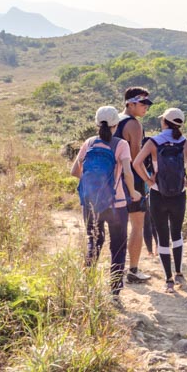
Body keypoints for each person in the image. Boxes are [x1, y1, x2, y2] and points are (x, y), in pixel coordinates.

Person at [133, 107, 187, 292]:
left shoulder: (153, 142)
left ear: (164, 122)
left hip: (158, 194)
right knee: (177, 233)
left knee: (162, 236)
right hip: (179, 195)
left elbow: (136, 163)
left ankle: (168, 280)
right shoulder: (185, 143)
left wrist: (149, 181)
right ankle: (179, 273)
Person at [71, 106, 142, 296]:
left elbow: (75, 171)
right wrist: (133, 192)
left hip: (91, 203)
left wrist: (94, 187)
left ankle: (87, 285)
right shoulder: (120, 145)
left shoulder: (89, 142)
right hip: (116, 204)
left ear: (96, 123)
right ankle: (115, 291)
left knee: (93, 242)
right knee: (118, 247)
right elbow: (127, 172)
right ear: (116, 124)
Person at [113, 87, 155, 283]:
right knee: (137, 226)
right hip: (133, 181)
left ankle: (116, 270)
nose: (146, 107)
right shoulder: (134, 126)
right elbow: (136, 159)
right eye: (142, 103)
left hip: (113, 180)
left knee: (117, 227)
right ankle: (133, 270)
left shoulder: (114, 122)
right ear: (130, 103)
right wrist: (148, 180)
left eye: (147, 103)